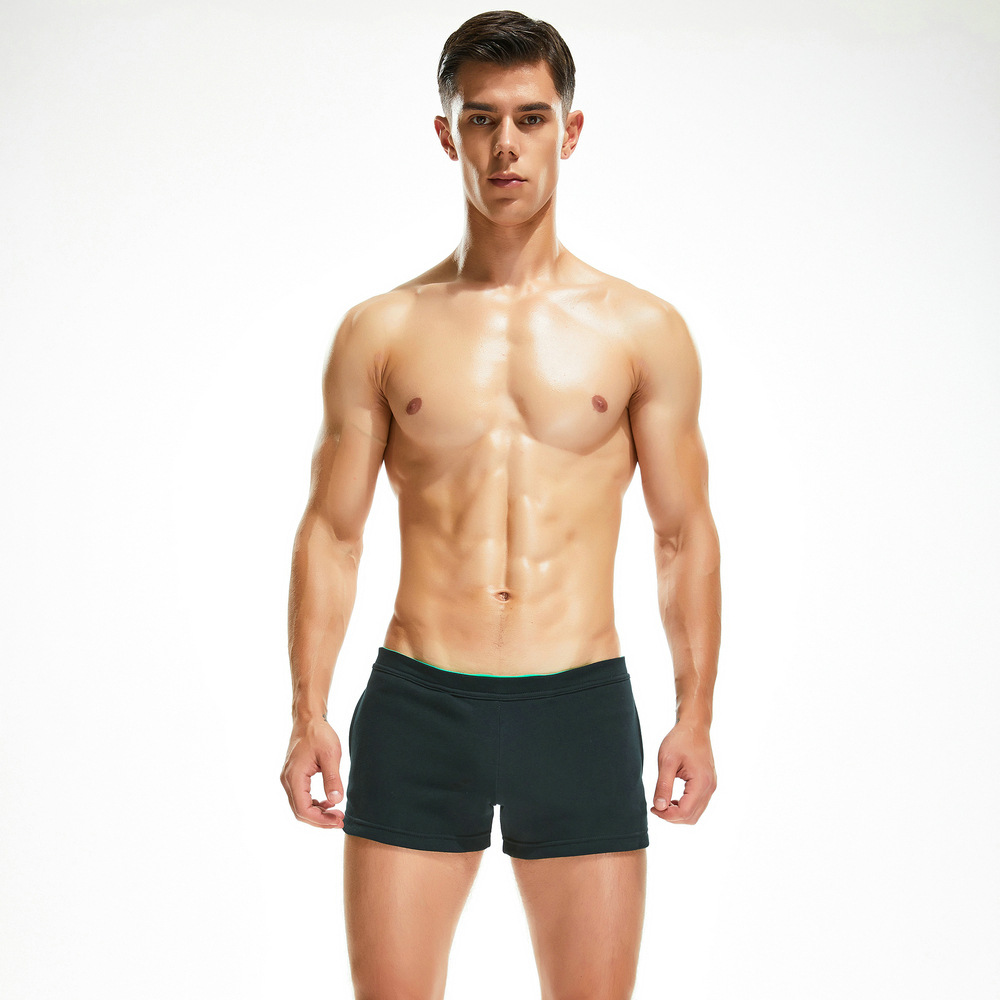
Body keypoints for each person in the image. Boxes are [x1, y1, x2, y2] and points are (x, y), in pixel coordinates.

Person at [280, 10, 721, 999]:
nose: (506, 145)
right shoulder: (381, 330)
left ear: (570, 130)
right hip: (419, 704)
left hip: (578, 707)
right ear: (448, 135)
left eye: (530, 117)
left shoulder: (641, 330)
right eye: (481, 120)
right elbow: (333, 533)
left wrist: (694, 714)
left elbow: (682, 534)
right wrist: (308, 711)